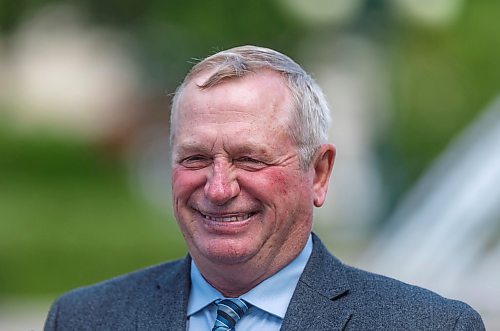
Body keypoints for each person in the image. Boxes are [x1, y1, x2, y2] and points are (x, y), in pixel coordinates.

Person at [44, 45, 485, 330]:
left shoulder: (428, 325)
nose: (218, 188)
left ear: (319, 173)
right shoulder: (85, 319)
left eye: (249, 159)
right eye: (195, 158)